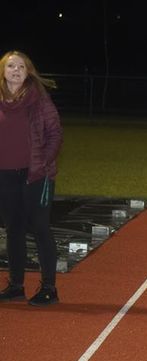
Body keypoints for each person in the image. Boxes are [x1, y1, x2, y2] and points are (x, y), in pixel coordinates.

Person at [0, 50, 63, 307]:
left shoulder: (39, 99)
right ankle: (16, 285)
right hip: (5, 176)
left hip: (36, 175)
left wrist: (42, 164)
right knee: (12, 229)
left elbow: (55, 134)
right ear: (3, 71)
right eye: (11, 66)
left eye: (21, 67)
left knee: (39, 228)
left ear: (28, 72)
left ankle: (49, 288)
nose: (16, 70)